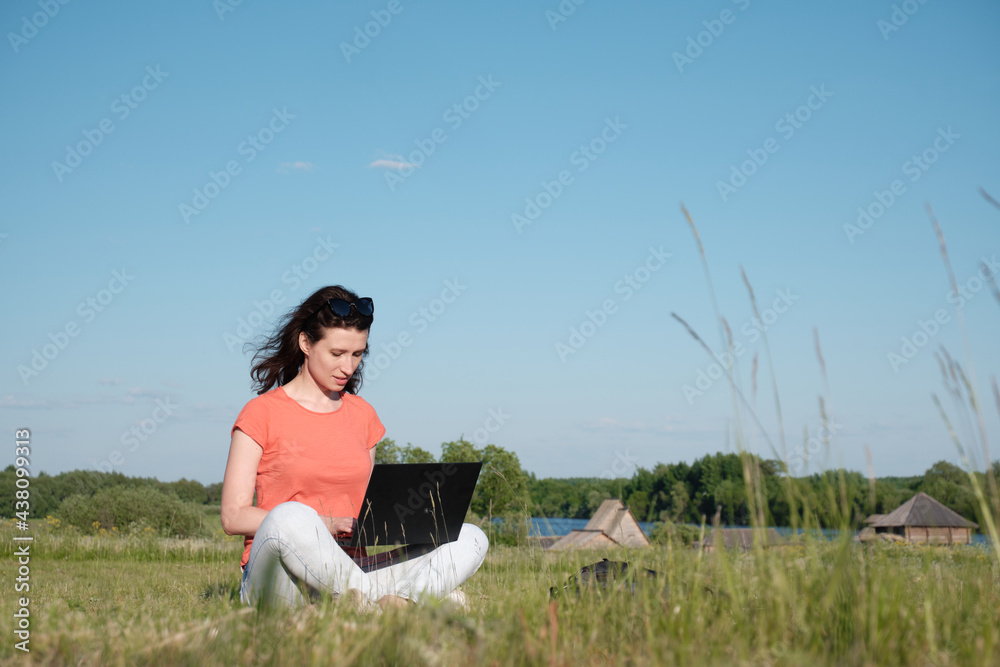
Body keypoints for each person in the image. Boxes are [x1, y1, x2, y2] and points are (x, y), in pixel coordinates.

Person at [221, 285, 488, 609]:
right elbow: (233, 517)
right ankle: (410, 604)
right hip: (279, 577)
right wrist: (326, 524)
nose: (348, 367)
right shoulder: (261, 413)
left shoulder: (363, 415)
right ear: (305, 343)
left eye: (357, 354)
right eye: (337, 354)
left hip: (351, 571)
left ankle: (377, 606)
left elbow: (367, 508)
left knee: (470, 537)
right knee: (290, 516)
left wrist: (404, 521)